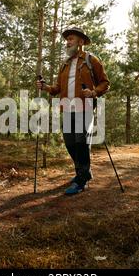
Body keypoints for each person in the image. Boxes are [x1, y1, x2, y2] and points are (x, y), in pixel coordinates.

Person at [36, 27, 110, 195]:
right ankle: (84, 172)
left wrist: (93, 92)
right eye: (67, 39)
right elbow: (57, 89)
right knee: (70, 143)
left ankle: (81, 180)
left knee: (81, 142)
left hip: (85, 106)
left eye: (71, 39)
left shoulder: (92, 60)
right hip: (67, 108)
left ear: (81, 42)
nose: (67, 42)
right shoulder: (65, 64)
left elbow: (105, 83)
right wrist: (45, 87)